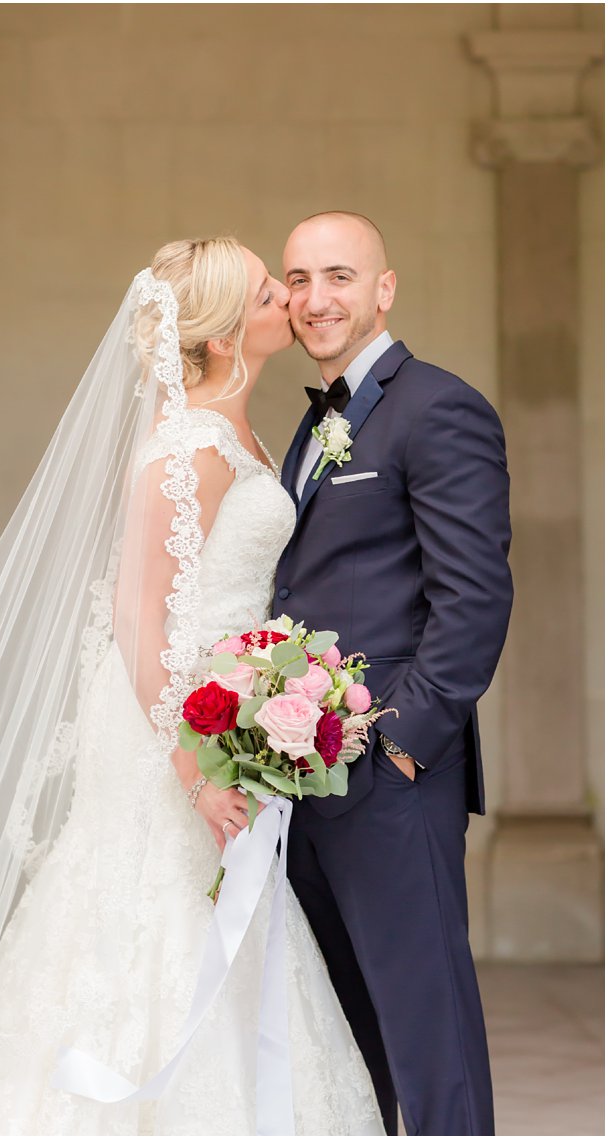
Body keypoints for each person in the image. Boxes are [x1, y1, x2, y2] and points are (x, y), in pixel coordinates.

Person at [0, 236, 383, 1134]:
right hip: (163, 725)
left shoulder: (249, 434)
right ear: (219, 335)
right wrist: (195, 763)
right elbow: (139, 617)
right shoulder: (189, 446)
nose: (287, 301)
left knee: (221, 916)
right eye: (266, 292)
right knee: (146, 915)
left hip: (225, 711)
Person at [277, 211, 511, 1136]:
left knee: (429, 1032)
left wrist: (405, 744)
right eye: (297, 279)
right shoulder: (313, 424)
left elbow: (475, 599)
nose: (314, 298)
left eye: (339, 276)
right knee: (343, 1037)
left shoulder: (438, 406)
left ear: (385, 289)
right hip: (304, 777)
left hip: (392, 777)